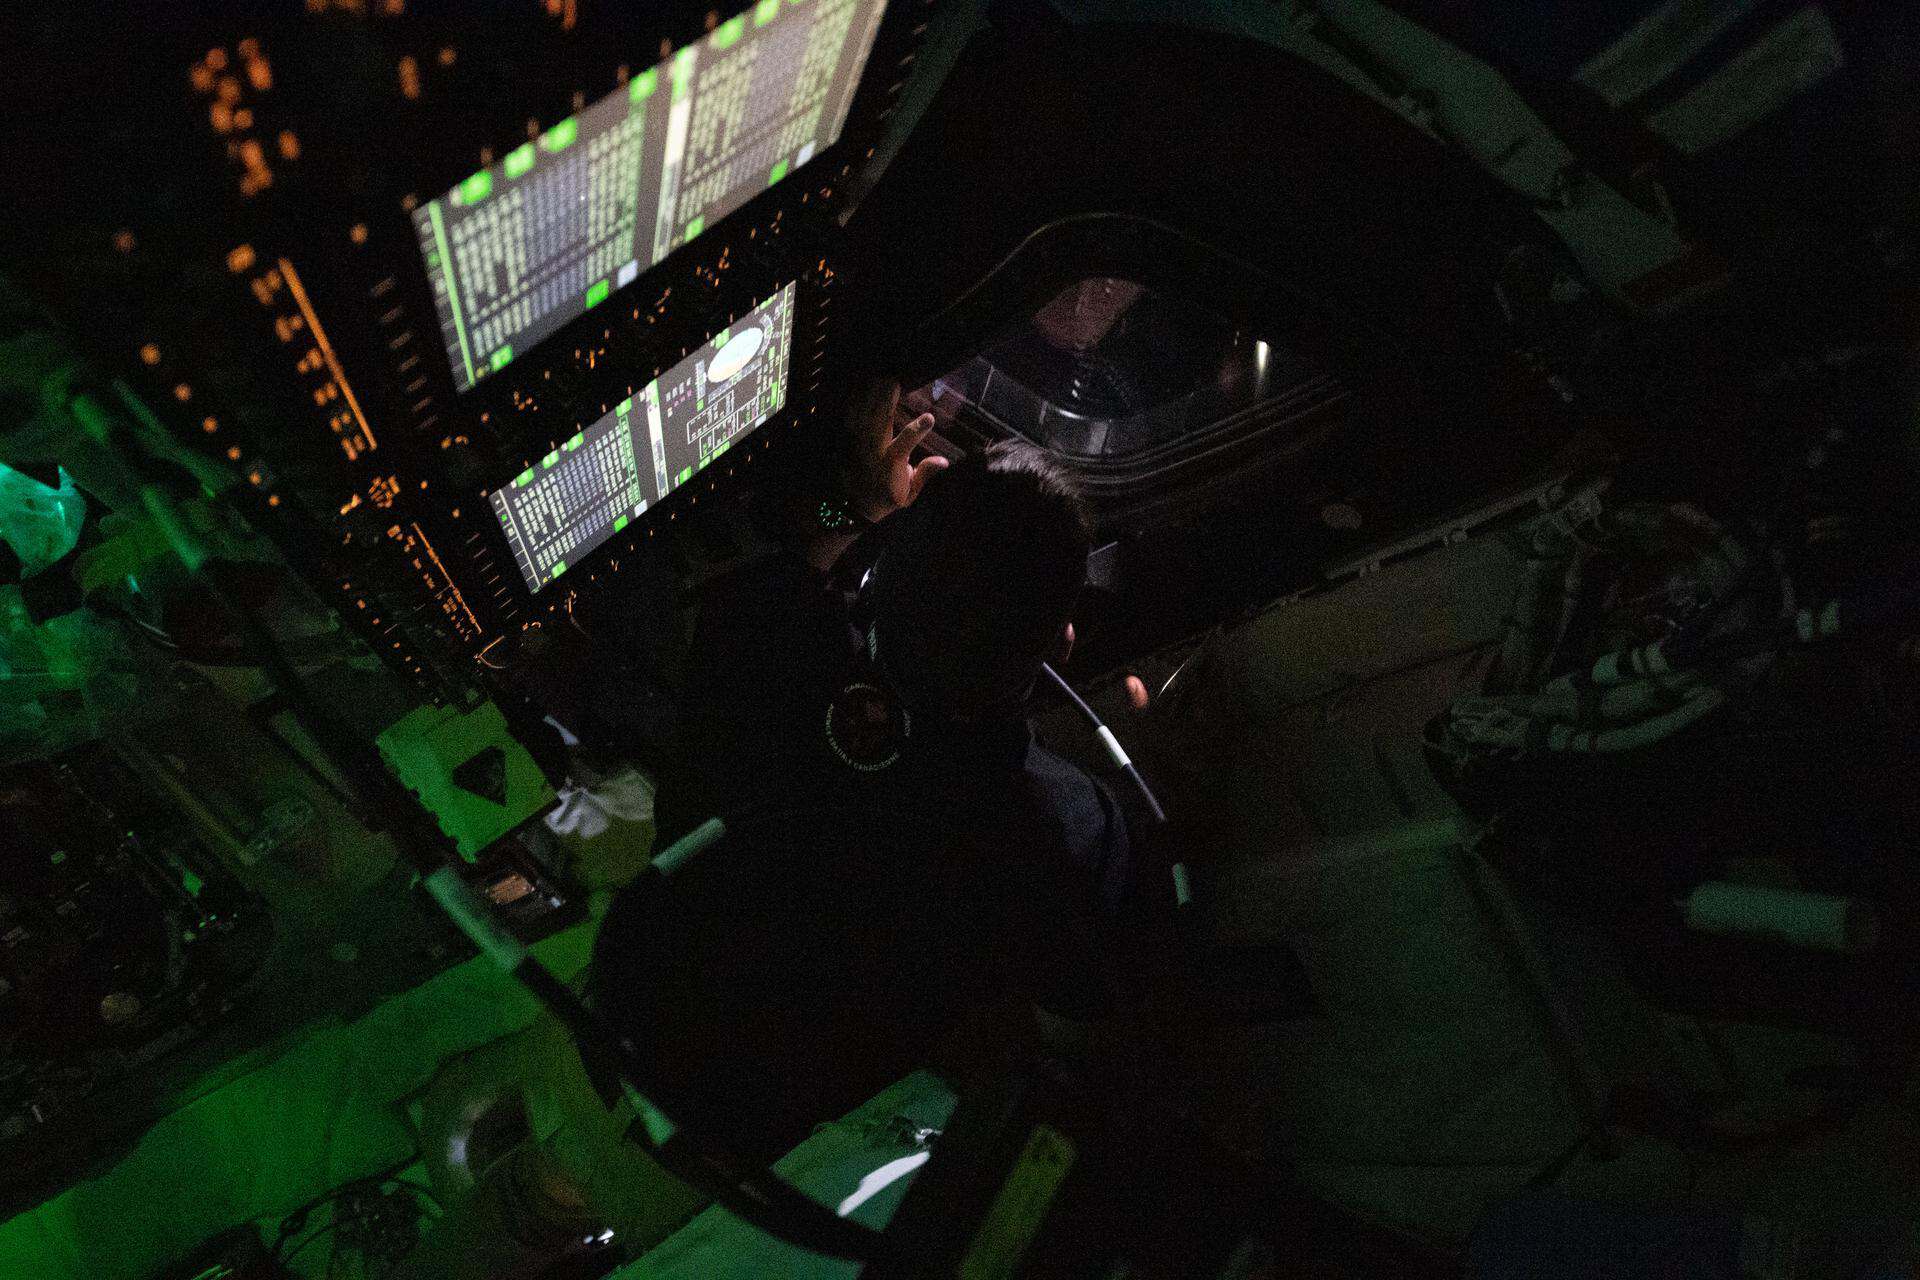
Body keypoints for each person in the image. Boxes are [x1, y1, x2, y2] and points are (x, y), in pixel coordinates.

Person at [642, 375, 1143, 1024]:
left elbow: (800, 552)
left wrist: (853, 507)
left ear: (884, 577)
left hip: (682, 982)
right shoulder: (1076, 832)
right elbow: (1076, 995)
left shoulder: (761, 650)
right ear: (1061, 645)